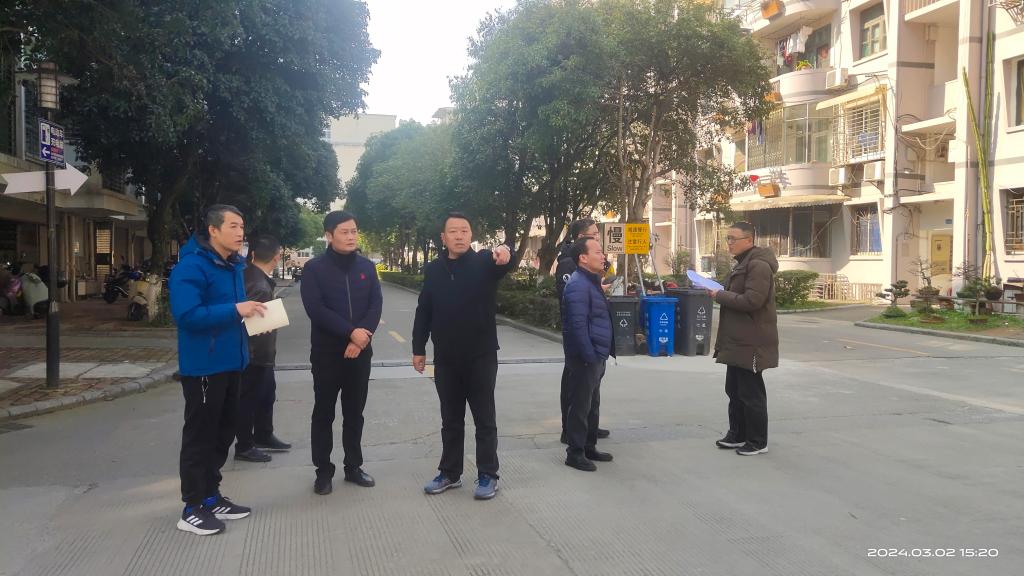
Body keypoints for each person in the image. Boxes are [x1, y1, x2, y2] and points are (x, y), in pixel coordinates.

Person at [170, 204, 265, 536]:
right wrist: (237, 309)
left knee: (224, 433)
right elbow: (187, 316)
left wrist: (253, 317)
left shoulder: (233, 265)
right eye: (233, 226)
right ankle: (192, 506)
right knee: (201, 436)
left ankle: (211, 496)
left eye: (242, 226)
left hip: (233, 362)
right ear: (213, 230)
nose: (240, 232)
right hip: (204, 367)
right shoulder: (191, 266)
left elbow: (234, 313)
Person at [413, 212, 514, 500]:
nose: (459, 236)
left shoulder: (484, 262)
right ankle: (450, 473)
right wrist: (418, 348)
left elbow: (506, 261)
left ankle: (488, 474)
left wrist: (506, 250)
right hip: (446, 358)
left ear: (471, 235)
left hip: (480, 355)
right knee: (451, 419)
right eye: (453, 231)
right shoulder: (434, 269)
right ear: (443, 238)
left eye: (464, 231)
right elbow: (424, 309)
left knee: (484, 418)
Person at [301, 211, 383, 496]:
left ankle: (353, 467)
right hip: (327, 353)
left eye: (354, 231)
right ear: (329, 235)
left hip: (360, 352)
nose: (351, 236)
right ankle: (323, 471)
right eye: (344, 232)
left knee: (354, 412)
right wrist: (350, 333)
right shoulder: (314, 269)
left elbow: (375, 305)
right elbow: (316, 309)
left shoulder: (367, 267)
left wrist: (361, 339)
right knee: (324, 413)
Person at [707, 221, 778, 456]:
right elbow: (736, 293)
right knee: (734, 390)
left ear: (749, 240)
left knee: (751, 393)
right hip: (737, 340)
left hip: (751, 341)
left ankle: (757, 441)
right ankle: (737, 434)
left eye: (733, 239)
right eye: (727, 238)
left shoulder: (758, 266)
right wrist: (718, 290)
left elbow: (752, 301)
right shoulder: (743, 263)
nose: (729, 243)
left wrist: (720, 295)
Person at [234, 235, 291, 463]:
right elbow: (253, 327)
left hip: (260, 354)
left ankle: (263, 434)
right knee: (249, 399)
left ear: (252, 254)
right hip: (255, 355)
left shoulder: (249, 275)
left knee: (266, 395)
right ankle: (245, 445)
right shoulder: (258, 285)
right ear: (277, 257)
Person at [554, 218, 611, 444]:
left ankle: (588, 430)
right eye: (593, 234)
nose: (598, 238)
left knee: (591, 391)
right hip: (581, 341)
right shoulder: (568, 265)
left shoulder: (590, 269)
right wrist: (588, 353)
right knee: (575, 390)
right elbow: (573, 306)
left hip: (593, 340)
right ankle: (570, 433)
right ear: (581, 238)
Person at [561, 237, 615, 471]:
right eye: (598, 252)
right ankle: (575, 453)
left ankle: (589, 447)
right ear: (583, 258)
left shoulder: (590, 281)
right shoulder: (577, 285)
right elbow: (578, 325)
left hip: (596, 354)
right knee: (580, 406)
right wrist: (589, 356)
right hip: (586, 356)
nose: (603, 256)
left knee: (592, 404)